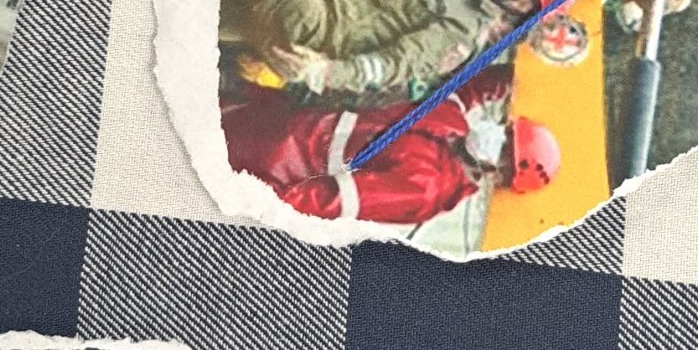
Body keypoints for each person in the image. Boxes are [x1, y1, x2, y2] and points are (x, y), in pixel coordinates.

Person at [210, 0, 553, 102]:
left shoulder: (462, 31)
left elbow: (392, 65)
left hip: (320, 28)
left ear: (522, 5)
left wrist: (324, 72)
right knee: (207, 16)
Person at [222, 81, 560, 227]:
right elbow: (470, 88)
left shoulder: (425, 188)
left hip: (264, 160)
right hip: (271, 114)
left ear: (496, 174)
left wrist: (245, 197)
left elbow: (322, 203)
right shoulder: (451, 125)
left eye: (505, 147)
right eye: (506, 131)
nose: (496, 134)